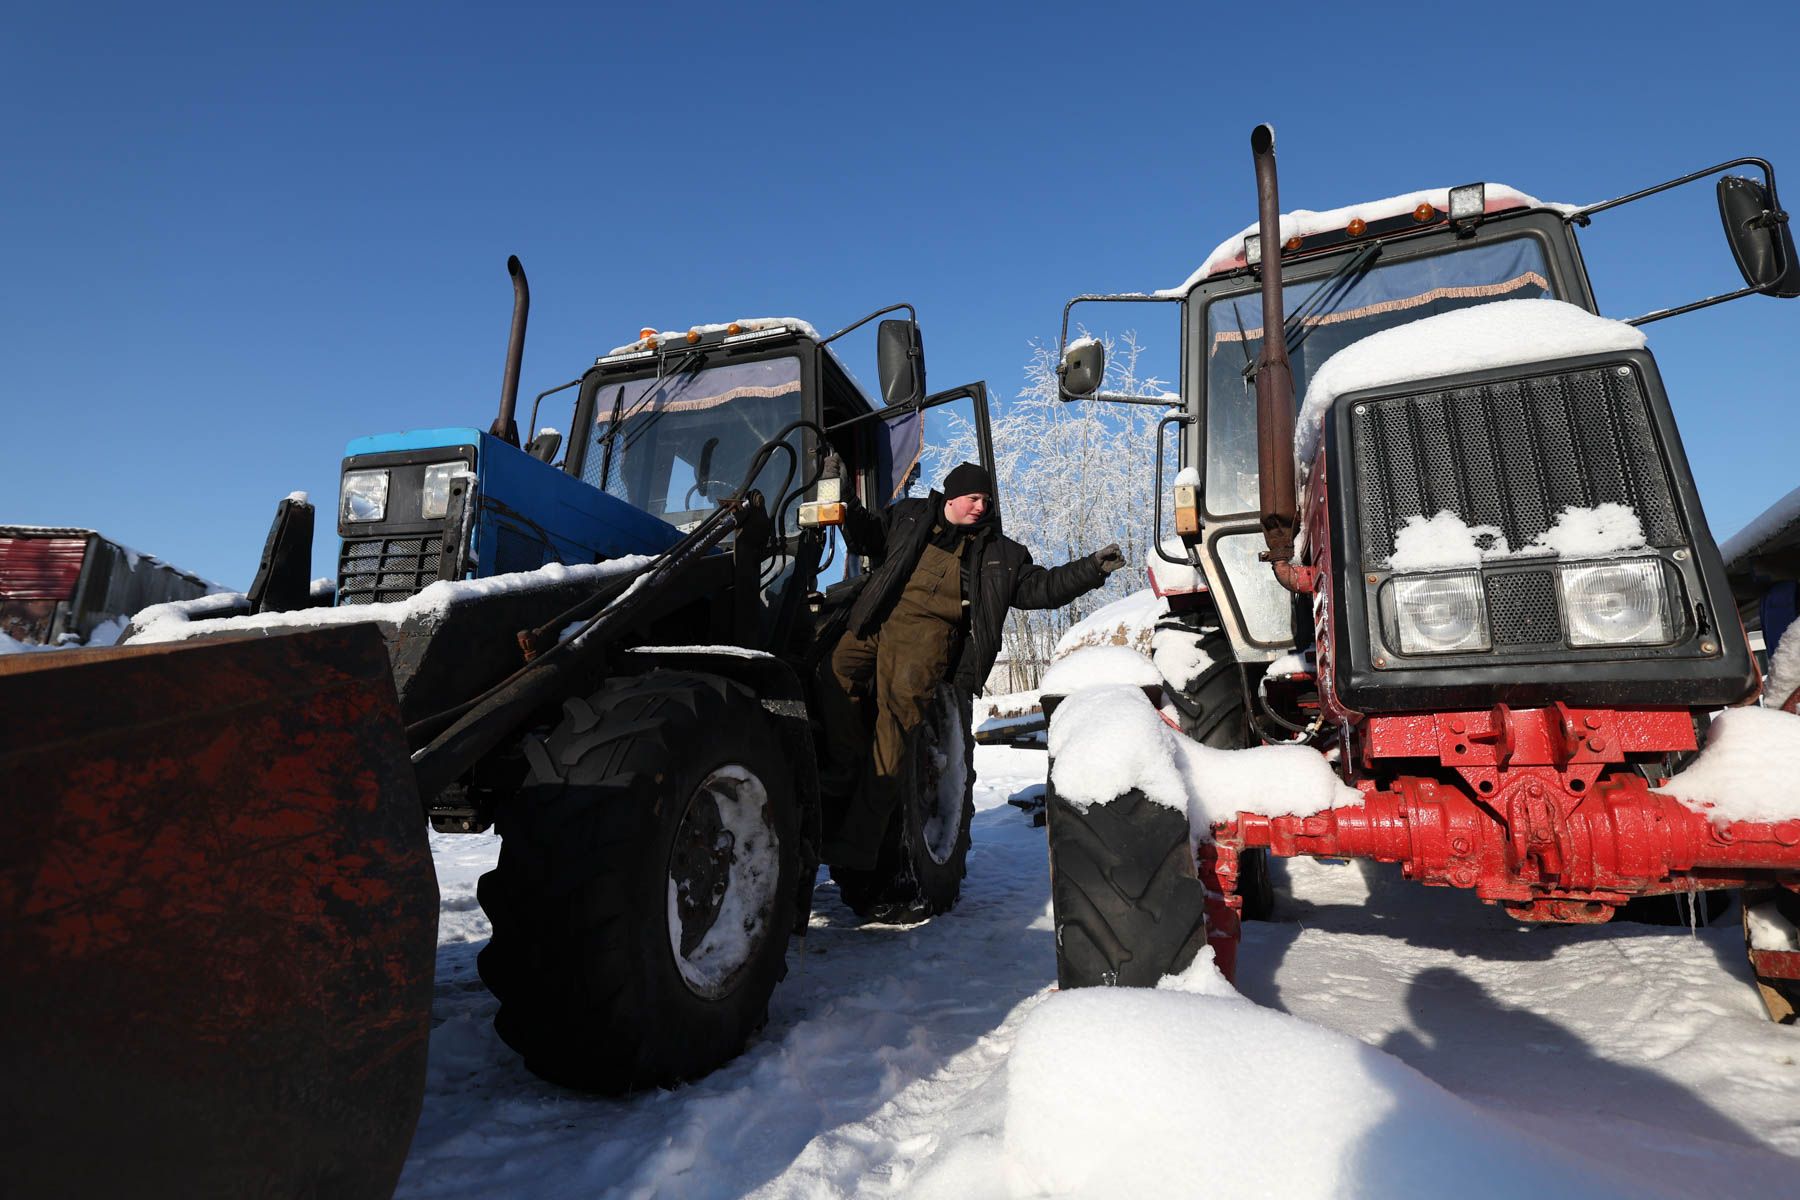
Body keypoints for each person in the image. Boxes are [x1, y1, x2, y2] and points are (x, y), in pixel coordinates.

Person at [817, 461, 1126, 867]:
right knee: (832, 674)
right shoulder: (908, 516)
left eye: (986, 500)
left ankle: (854, 849)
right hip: (876, 615)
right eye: (973, 498)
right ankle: (841, 775)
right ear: (951, 496)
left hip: (926, 636)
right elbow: (866, 537)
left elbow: (1043, 588)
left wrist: (1091, 569)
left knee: (894, 728)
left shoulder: (1000, 554)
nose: (980, 507)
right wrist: (843, 495)